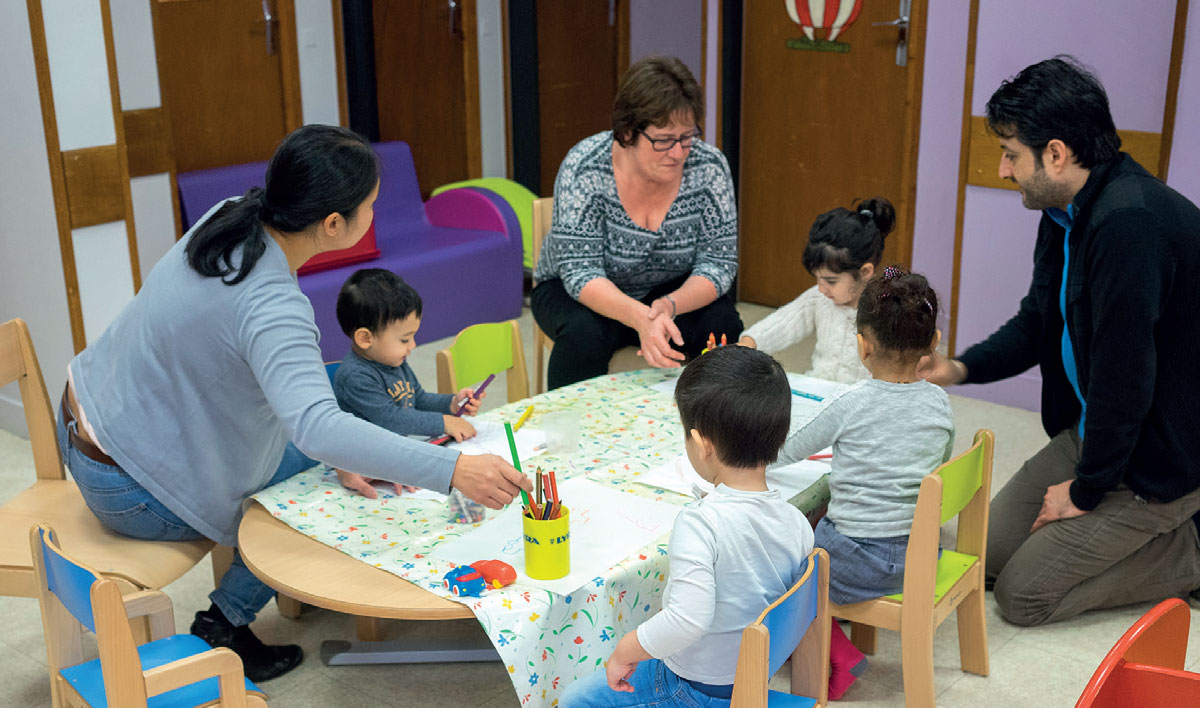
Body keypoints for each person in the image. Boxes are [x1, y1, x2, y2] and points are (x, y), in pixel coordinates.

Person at [56, 125, 530, 682]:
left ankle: (288, 581)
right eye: (371, 207)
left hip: (87, 412)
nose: (376, 216)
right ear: (334, 225)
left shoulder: (232, 213)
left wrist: (336, 447)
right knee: (304, 480)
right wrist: (453, 469)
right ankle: (222, 625)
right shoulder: (273, 304)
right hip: (126, 484)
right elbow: (318, 428)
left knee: (332, 436)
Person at [920, 56, 1200, 627]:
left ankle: (1191, 548)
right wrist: (958, 369)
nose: (1002, 170)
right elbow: (1037, 322)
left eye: (1010, 154)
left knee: (1021, 596)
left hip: (1164, 455)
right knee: (981, 555)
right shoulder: (1063, 211)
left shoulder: (1129, 226)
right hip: (1102, 430)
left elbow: (1126, 380)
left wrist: (1083, 492)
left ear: (1055, 152)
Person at [561, 345, 814, 707]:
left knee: (575, 700)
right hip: (752, 678)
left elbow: (686, 621)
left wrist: (625, 648)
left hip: (692, 688)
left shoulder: (700, 522)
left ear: (701, 444)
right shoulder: (796, 520)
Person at [777, 267, 953, 699]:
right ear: (933, 343)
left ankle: (838, 653)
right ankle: (840, 633)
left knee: (784, 572)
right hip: (921, 557)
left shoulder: (851, 402)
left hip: (856, 561)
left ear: (863, 345)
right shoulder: (940, 403)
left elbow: (788, 449)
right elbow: (938, 465)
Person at [532, 55, 743, 390]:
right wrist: (641, 318)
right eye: (663, 140)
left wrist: (669, 305)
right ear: (628, 132)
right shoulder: (586, 166)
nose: (678, 152)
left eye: (687, 137)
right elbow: (579, 272)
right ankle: (571, 432)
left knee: (721, 324)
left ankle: (709, 428)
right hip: (583, 292)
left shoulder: (709, 167)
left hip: (671, 289)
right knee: (582, 335)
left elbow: (718, 263)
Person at [331, 268, 484, 497]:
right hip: (360, 469)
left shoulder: (392, 359)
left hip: (390, 458)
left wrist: (451, 404)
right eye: (404, 339)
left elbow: (417, 399)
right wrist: (444, 422)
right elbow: (392, 419)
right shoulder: (355, 375)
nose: (412, 346)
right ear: (365, 338)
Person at [739, 197, 895, 384]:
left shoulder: (888, 310)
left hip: (864, 401)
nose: (821, 289)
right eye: (817, 279)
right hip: (819, 391)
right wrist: (749, 342)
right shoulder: (819, 298)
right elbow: (782, 323)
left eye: (830, 281)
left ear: (865, 272)